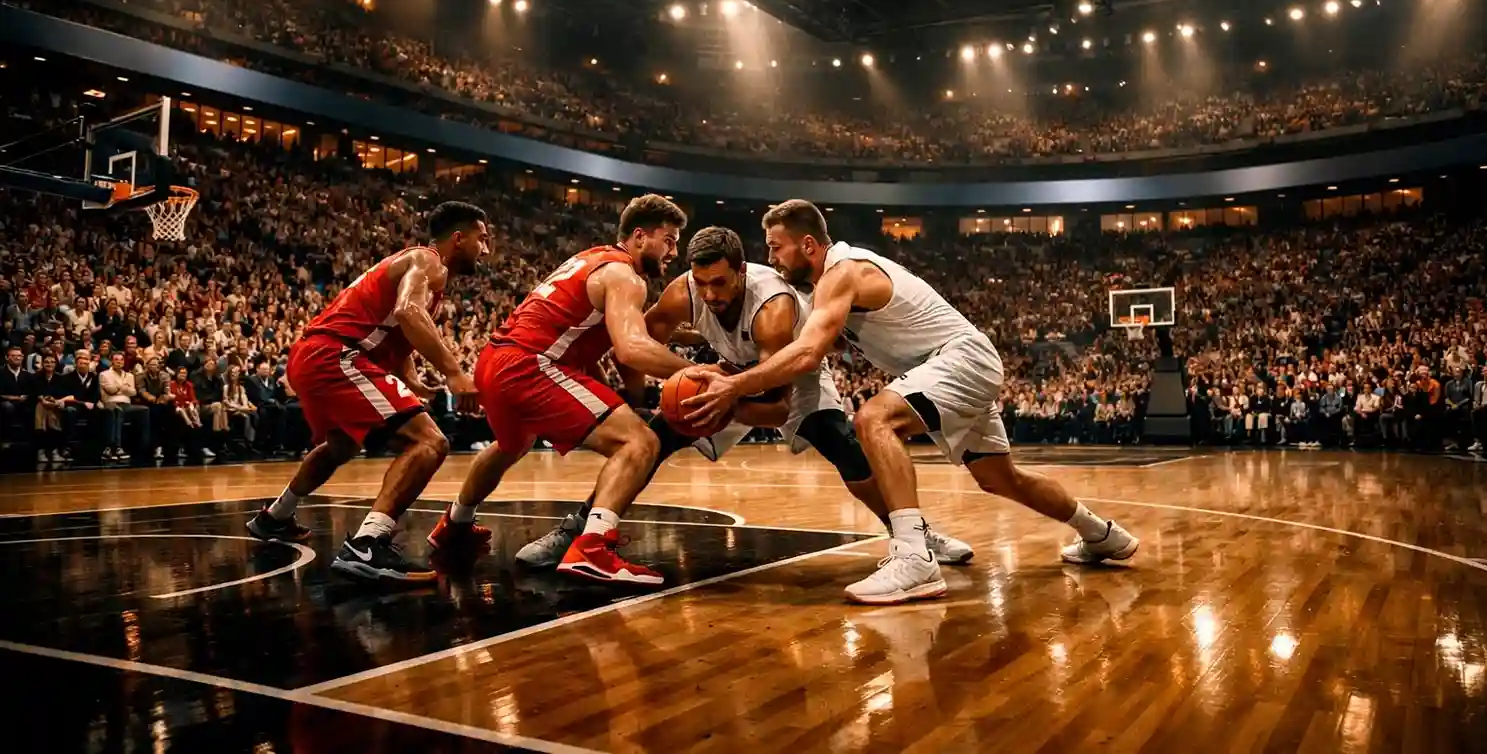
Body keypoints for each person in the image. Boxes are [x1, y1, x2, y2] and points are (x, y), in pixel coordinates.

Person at [683, 199, 1139, 605]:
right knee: (1001, 478)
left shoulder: (844, 272)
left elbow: (806, 353)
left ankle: (913, 558)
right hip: (954, 364)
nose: (771, 259)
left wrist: (734, 387)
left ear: (807, 245)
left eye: (774, 247)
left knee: (873, 419)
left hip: (959, 359)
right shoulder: (829, 282)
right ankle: (1101, 535)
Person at [514, 226, 973, 570]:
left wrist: (726, 398)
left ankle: (913, 536)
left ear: (742, 271)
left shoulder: (773, 307)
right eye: (702, 283)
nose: (709, 294)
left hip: (789, 372)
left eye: (720, 283)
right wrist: (646, 397)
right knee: (651, 437)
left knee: (843, 446)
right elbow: (638, 343)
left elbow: (775, 408)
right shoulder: (684, 292)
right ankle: (581, 528)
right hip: (726, 369)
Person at [434, 195, 692, 585]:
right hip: (529, 365)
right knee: (640, 443)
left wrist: (618, 401)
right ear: (640, 236)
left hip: (496, 359)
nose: (674, 251)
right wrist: (701, 372)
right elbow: (632, 349)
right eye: (669, 240)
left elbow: (586, 351)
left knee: (511, 445)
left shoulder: (591, 259)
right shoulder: (625, 276)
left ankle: (455, 524)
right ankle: (593, 548)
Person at [245, 201, 490, 584]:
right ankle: (367, 544)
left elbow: (396, 334)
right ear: (458, 238)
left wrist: (411, 381)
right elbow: (409, 313)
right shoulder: (429, 262)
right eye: (482, 239)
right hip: (336, 354)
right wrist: (454, 373)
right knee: (429, 442)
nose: (486, 249)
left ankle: (274, 515)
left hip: (315, 355)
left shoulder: (420, 271)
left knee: (342, 446)